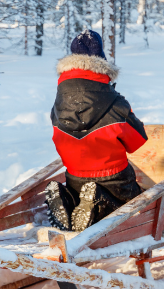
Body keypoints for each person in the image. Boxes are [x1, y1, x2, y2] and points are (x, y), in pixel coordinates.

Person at [45, 30, 148, 232]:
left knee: (80, 191)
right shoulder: (115, 102)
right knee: (131, 202)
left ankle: (68, 200)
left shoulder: (58, 105)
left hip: (74, 178)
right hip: (116, 179)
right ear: (101, 63)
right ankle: (97, 201)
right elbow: (137, 142)